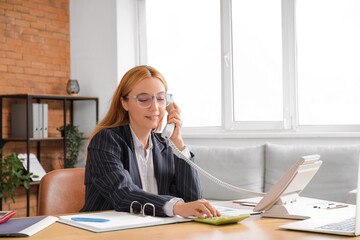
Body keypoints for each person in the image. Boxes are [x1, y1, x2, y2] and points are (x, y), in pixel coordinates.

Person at [81, 65, 220, 218]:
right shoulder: (105, 141)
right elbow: (123, 194)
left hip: (152, 230)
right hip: (107, 231)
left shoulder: (165, 146)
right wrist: (176, 207)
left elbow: (192, 200)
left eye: (161, 99)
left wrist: (178, 145)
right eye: (144, 99)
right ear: (125, 103)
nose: (155, 107)